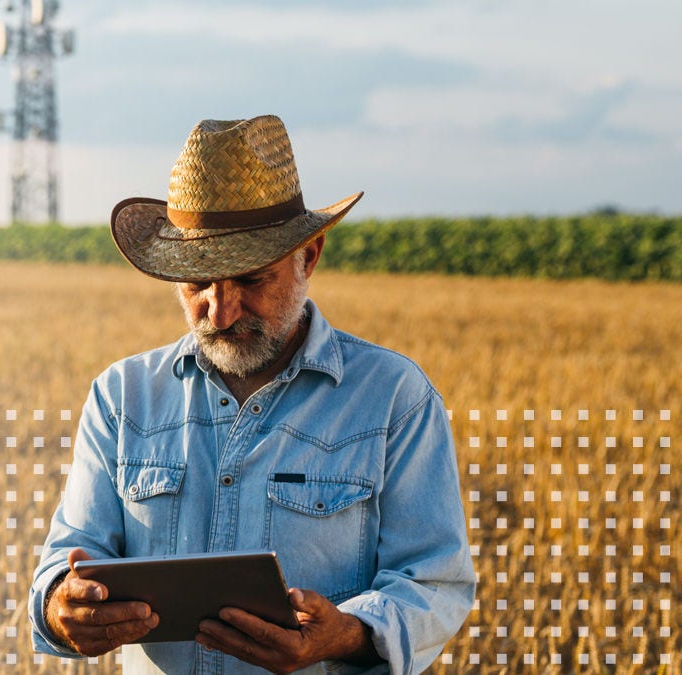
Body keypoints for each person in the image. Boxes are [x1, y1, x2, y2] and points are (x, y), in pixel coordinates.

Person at [27, 115, 475, 674]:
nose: (221, 311)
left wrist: (346, 634)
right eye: (197, 284)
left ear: (308, 257)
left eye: (250, 279)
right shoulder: (123, 396)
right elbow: (70, 555)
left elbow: (434, 583)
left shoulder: (393, 398)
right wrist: (60, 608)